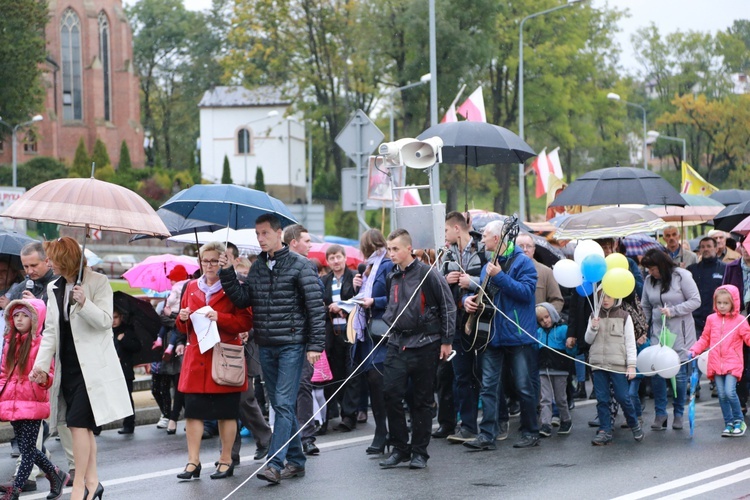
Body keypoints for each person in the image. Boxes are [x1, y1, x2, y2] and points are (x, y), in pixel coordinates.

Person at [218, 215, 325, 485]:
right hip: (266, 344)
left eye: (265, 233)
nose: (260, 239)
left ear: (280, 234)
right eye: (257, 234)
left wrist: (315, 345)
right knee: (278, 403)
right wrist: (228, 273)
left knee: (285, 404)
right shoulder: (257, 268)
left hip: (292, 343)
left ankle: (275, 463)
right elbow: (244, 300)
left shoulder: (301, 265)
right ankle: (297, 461)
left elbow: (315, 308)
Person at [30, 237, 132, 500]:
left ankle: (80, 487)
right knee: (82, 427)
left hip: (93, 368)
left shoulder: (98, 282)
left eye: (51, 257)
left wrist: (85, 303)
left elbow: (106, 322)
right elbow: (51, 331)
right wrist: (41, 365)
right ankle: (93, 482)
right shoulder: (54, 286)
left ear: (64, 258)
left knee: (77, 424)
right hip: (68, 367)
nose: (48, 262)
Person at [174, 241, 253, 481]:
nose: (208, 265)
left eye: (213, 261)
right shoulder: (190, 287)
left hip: (224, 358)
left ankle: (226, 459)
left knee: (226, 412)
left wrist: (220, 317)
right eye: (204, 260)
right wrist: (182, 317)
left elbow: (245, 322)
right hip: (197, 358)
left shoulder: (234, 287)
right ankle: (192, 461)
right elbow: (182, 327)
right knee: (194, 412)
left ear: (222, 261)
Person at [378, 229, 455, 470]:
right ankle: (400, 447)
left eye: (395, 249)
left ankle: (420, 451)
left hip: (425, 344)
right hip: (397, 343)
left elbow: (448, 307)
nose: (391, 254)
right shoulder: (392, 276)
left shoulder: (428, 274)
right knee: (390, 393)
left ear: (408, 249)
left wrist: (446, 340)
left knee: (422, 400)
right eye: (389, 249)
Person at [463, 221, 540, 450]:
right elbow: (481, 289)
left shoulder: (524, 262)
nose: (481, 239)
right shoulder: (489, 261)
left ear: (497, 239)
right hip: (492, 334)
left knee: (523, 386)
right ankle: (487, 435)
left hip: (518, 334)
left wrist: (499, 276)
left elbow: (526, 293)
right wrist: (466, 300)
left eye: (485, 236)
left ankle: (531, 431)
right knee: (488, 385)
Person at [0, 299, 69, 500]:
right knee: (26, 447)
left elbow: (50, 374)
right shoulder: (9, 343)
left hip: (32, 402)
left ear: (35, 319)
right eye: (16, 315)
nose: (19, 319)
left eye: (24, 315)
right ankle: (57, 474)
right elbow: (4, 373)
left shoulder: (41, 344)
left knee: (28, 450)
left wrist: (42, 379)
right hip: (12, 402)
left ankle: (16, 489)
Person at [640, 248, 700, 431]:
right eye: (648, 270)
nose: (650, 273)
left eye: (653, 269)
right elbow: (645, 306)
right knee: (657, 373)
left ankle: (679, 413)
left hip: (680, 332)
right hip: (658, 332)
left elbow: (696, 300)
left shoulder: (682, 276)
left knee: (679, 375)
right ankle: (660, 413)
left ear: (662, 265)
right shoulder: (649, 281)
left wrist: (674, 310)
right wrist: (643, 329)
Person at [439, 211, 486, 443]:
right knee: (461, 376)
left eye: (446, 230)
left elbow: (493, 279)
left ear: (457, 228)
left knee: (485, 375)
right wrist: (445, 280)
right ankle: (467, 426)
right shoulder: (447, 254)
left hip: (482, 323)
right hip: (456, 323)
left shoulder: (482, 249)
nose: (444, 236)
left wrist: (472, 283)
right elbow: (437, 284)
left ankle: (494, 423)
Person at [351, 229, 394, 455]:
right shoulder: (368, 268)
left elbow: (396, 297)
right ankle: (381, 431)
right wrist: (357, 286)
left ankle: (386, 432)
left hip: (381, 330)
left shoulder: (386, 265)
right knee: (372, 380)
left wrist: (373, 301)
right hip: (368, 331)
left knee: (379, 380)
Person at [689, 285, 750, 437]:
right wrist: (694, 350)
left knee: (730, 392)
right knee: (722, 395)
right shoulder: (711, 319)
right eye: (719, 303)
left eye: (726, 303)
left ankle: (739, 420)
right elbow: (705, 338)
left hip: (733, 362)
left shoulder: (740, 320)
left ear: (733, 303)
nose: (722, 306)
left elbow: (748, 338)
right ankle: (728, 423)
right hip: (715, 363)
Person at [585, 292, 644, 446]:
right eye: (602, 297)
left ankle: (634, 423)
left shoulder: (624, 316)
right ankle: (605, 430)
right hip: (598, 363)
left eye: (609, 296)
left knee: (623, 397)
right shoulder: (594, 315)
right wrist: (593, 328)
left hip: (618, 364)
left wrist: (631, 365)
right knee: (602, 399)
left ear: (616, 298)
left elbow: (630, 343)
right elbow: (588, 339)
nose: (605, 300)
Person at [283, 224, 321, 455]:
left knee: (304, 386)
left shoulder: (308, 266)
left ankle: (307, 436)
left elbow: (316, 302)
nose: (310, 245)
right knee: (283, 392)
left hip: (303, 337)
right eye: (306, 241)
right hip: (281, 337)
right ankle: (287, 438)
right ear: (293, 242)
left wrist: (315, 344)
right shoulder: (275, 266)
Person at [321, 244, 358, 433]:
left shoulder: (354, 278)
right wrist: (330, 308)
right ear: (327, 262)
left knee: (350, 372)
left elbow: (359, 299)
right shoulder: (324, 280)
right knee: (334, 373)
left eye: (338, 257)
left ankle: (349, 415)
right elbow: (321, 304)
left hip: (350, 331)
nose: (335, 261)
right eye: (332, 258)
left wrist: (343, 308)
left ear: (344, 258)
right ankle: (334, 412)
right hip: (332, 332)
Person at [536, 302, 575, 437]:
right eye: (541, 320)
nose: (545, 321)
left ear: (552, 315)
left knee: (560, 398)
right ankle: (545, 424)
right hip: (543, 369)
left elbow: (572, 350)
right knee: (545, 399)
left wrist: (571, 346)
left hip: (560, 369)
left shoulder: (563, 330)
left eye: (546, 317)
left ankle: (566, 419)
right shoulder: (538, 333)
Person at [687, 237, 726, 336]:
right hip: (696, 320)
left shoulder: (725, 268)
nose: (705, 249)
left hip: (717, 318)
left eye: (709, 246)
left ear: (716, 249)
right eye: (702, 247)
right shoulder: (692, 270)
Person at [112, 307, 141, 435]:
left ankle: (129, 424)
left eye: (116, 317)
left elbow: (136, 346)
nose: (113, 321)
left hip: (124, 369)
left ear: (121, 317)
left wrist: (123, 340)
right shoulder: (106, 331)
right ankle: (97, 426)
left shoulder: (127, 330)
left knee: (126, 398)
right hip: (110, 370)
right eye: (111, 317)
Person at [516, 234, 564, 311]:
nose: (525, 249)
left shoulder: (546, 272)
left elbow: (557, 300)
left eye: (528, 246)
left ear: (533, 250)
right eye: (520, 246)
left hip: (536, 321)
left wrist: (546, 314)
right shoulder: (507, 270)